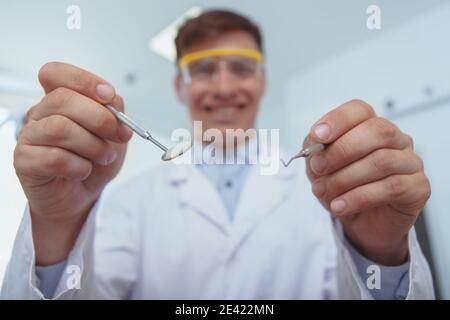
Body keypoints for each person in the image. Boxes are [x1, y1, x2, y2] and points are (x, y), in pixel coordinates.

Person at [1, 10, 434, 299]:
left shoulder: (331, 183)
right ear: (179, 86)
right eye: (204, 70)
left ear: (262, 80)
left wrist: (379, 252)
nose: (224, 87)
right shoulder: (131, 198)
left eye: (242, 68)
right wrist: (56, 225)